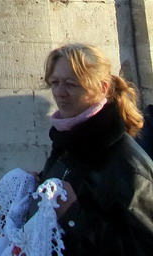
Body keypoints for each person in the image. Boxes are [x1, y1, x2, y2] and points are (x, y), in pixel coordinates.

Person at [36, 43, 153, 255]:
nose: (59, 92)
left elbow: (142, 246)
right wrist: (39, 181)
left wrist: (73, 216)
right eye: (54, 82)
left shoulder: (126, 162)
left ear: (102, 88)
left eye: (71, 84)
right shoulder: (67, 143)